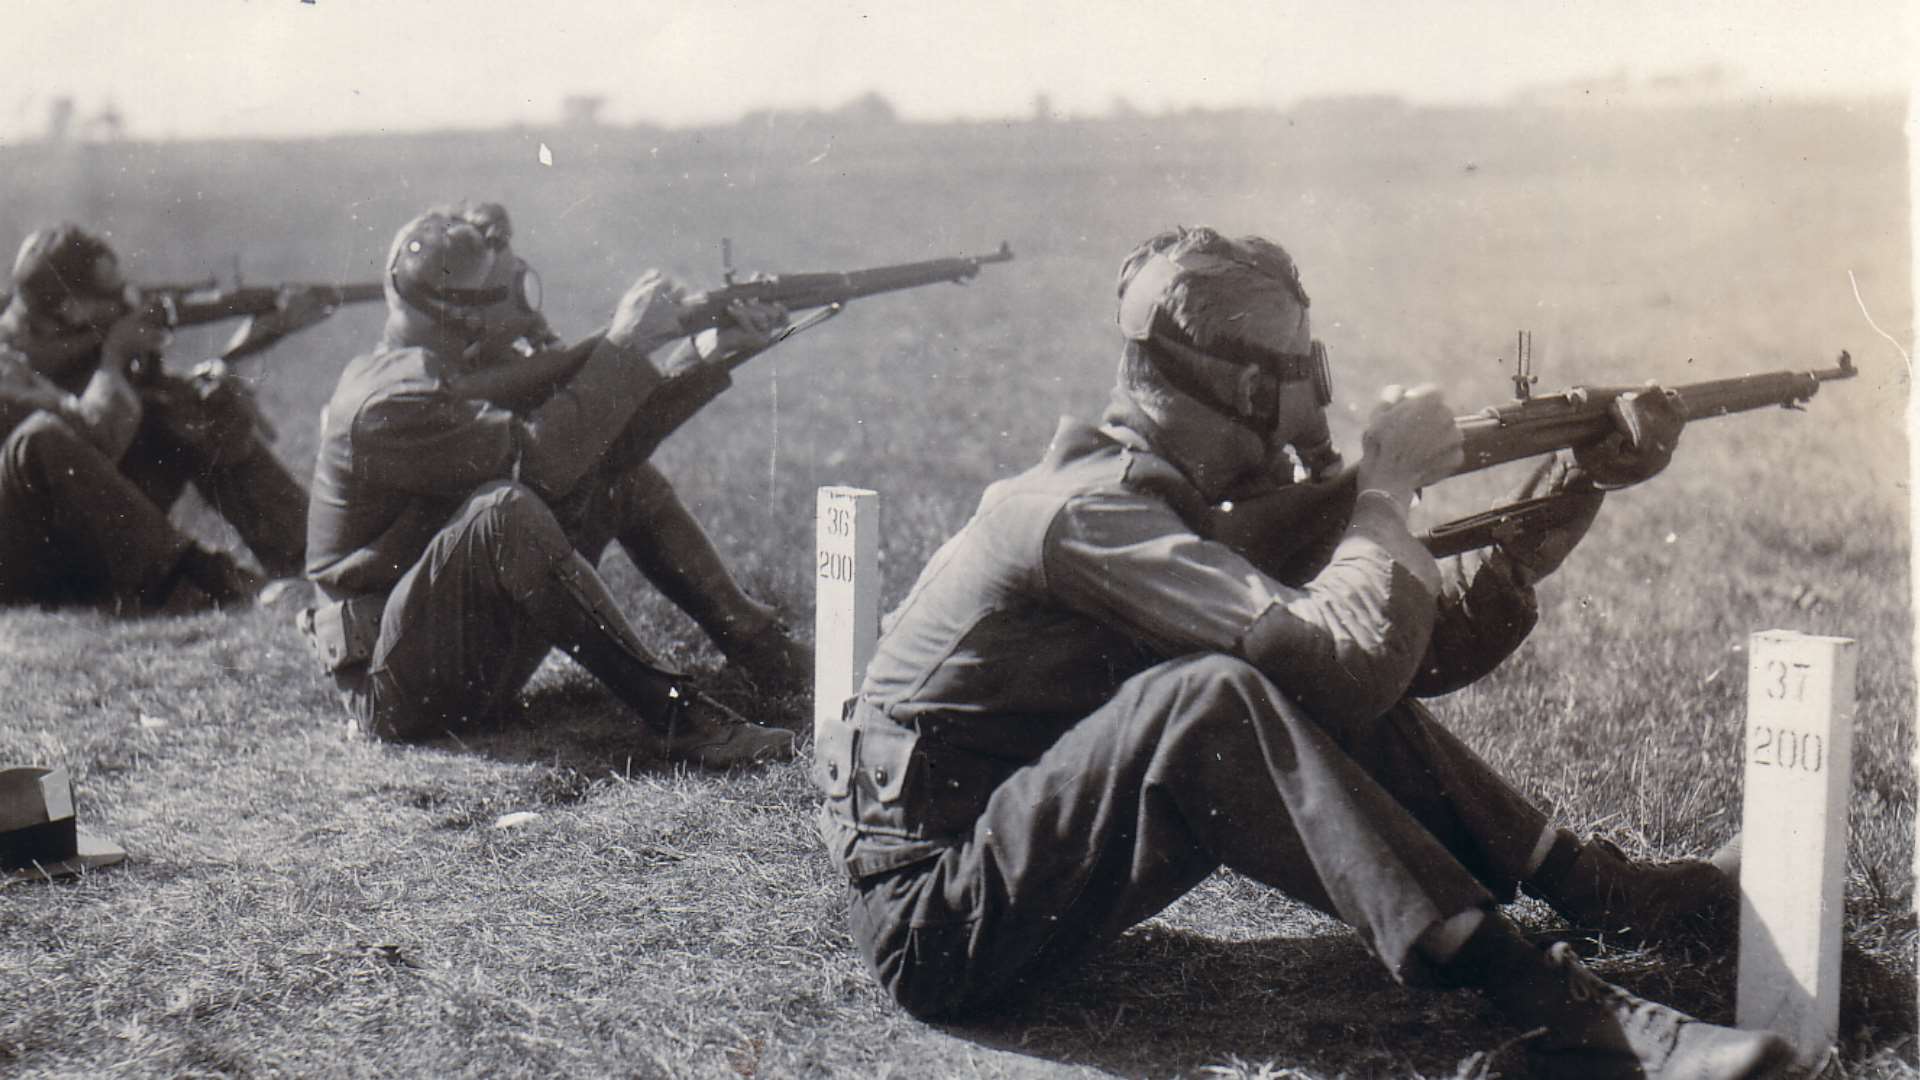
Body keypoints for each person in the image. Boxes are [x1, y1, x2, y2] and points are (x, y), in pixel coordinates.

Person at [815, 226, 1792, 1078]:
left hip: (1014, 874)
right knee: (1210, 698)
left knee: (1267, 672)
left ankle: (1598, 887)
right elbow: (1346, 661)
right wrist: (1384, 494)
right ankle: (1567, 1019)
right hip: (935, 927)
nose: (1317, 402)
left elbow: (1407, 657)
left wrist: (1573, 482)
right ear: (1246, 384)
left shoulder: (1152, 505)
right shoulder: (1086, 515)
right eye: (1303, 374)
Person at [299, 201, 807, 767]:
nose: (524, 311)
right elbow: (541, 464)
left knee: (613, 475)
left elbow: (596, 445)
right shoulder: (387, 404)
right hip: (394, 693)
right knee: (504, 512)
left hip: (458, 657)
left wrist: (709, 352)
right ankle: (677, 716)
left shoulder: (443, 374)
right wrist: (622, 347)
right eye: (510, 294)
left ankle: (761, 648)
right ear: (461, 316)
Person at [0, 224, 310, 589]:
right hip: (26, 556)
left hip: (85, 529)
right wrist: (115, 358)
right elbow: (86, 443)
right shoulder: (8, 367)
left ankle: (311, 554)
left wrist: (222, 370)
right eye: (111, 296)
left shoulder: (66, 339)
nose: (126, 301)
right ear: (67, 309)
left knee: (196, 406)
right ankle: (202, 582)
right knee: (48, 437)